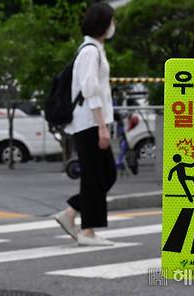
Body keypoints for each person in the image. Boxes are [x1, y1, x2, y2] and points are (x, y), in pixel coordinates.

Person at [53, 3, 118, 246]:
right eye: (112, 21)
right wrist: (102, 127)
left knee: (102, 174)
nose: (114, 26)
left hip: (90, 122)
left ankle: (72, 213)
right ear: (103, 23)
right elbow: (90, 90)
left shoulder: (94, 49)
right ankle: (86, 231)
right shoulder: (90, 51)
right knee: (100, 175)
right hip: (89, 122)